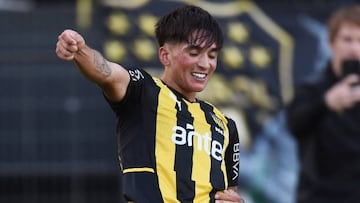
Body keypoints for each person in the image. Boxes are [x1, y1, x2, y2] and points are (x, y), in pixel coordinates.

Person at [56, 5, 244, 203]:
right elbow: (107, 73)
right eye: (194, 53)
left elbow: (230, 195)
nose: (205, 64)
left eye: (212, 55)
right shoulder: (143, 92)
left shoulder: (225, 125)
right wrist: (78, 49)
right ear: (165, 55)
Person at [286, 4, 360, 203]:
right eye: (347, 39)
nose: (354, 48)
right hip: (318, 196)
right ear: (331, 43)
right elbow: (294, 124)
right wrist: (326, 103)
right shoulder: (312, 89)